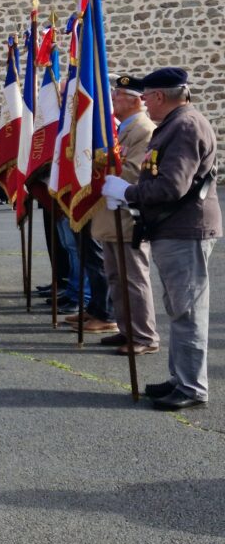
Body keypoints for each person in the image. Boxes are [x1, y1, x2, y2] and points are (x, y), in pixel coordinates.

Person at [104, 67, 221, 411]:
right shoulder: (176, 124)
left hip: (186, 228)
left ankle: (191, 386)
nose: (143, 104)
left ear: (157, 96)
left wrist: (129, 192)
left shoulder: (183, 126)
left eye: (145, 97)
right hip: (176, 228)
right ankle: (180, 377)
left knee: (187, 310)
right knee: (179, 308)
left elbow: (172, 186)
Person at [90, 76, 158, 355]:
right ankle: (126, 328)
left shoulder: (143, 129)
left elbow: (133, 172)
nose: (113, 101)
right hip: (112, 213)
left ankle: (144, 336)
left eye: (117, 96)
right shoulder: (123, 129)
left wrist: (101, 172)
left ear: (134, 100)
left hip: (128, 214)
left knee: (133, 277)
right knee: (116, 276)